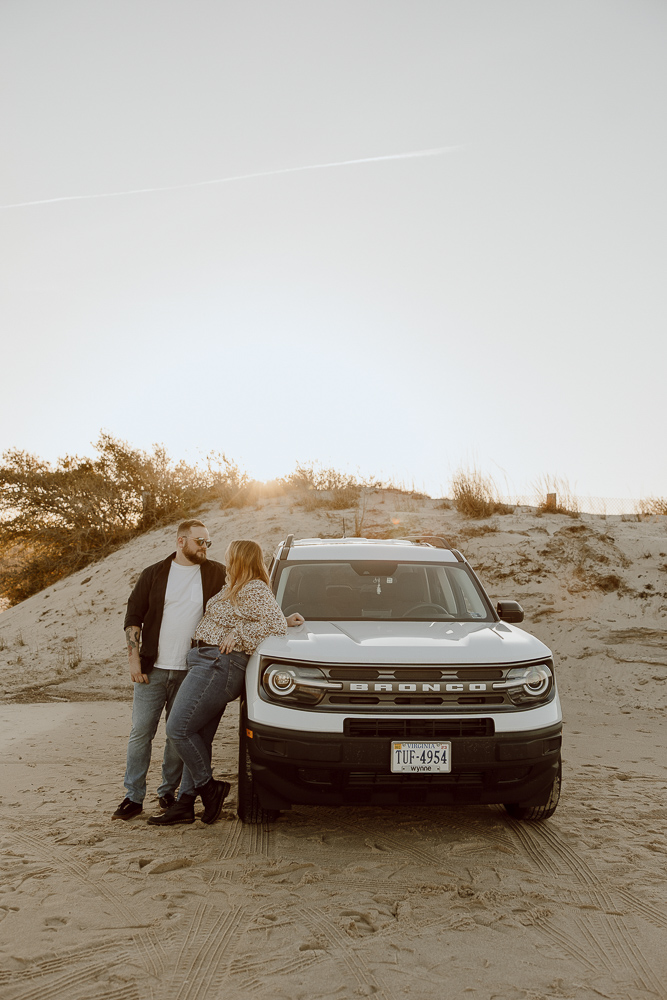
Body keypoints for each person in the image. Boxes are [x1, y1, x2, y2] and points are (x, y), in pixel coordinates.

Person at [155, 538, 301, 827]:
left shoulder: (254, 587)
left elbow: (273, 623)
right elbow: (268, 618)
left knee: (178, 729)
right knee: (198, 736)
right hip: (207, 661)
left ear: (240, 559)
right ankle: (185, 804)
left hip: (218, 665)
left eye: (230, 556)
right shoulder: (234, 586)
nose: (226, 559)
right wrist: (245, 626)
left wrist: (242, 633)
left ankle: (210, 789)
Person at [113, 519, 226, 821]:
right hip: (153, 670)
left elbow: (241, 604)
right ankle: (133, 797)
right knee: (141, 734)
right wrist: (133, 659)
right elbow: (133, 616)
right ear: (181, 541)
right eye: (200, 541)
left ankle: (168, 792)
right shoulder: (154, 574)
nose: (205, 547)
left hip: (193, 671)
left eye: (208, 542)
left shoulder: (216, 573)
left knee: (178, 736)